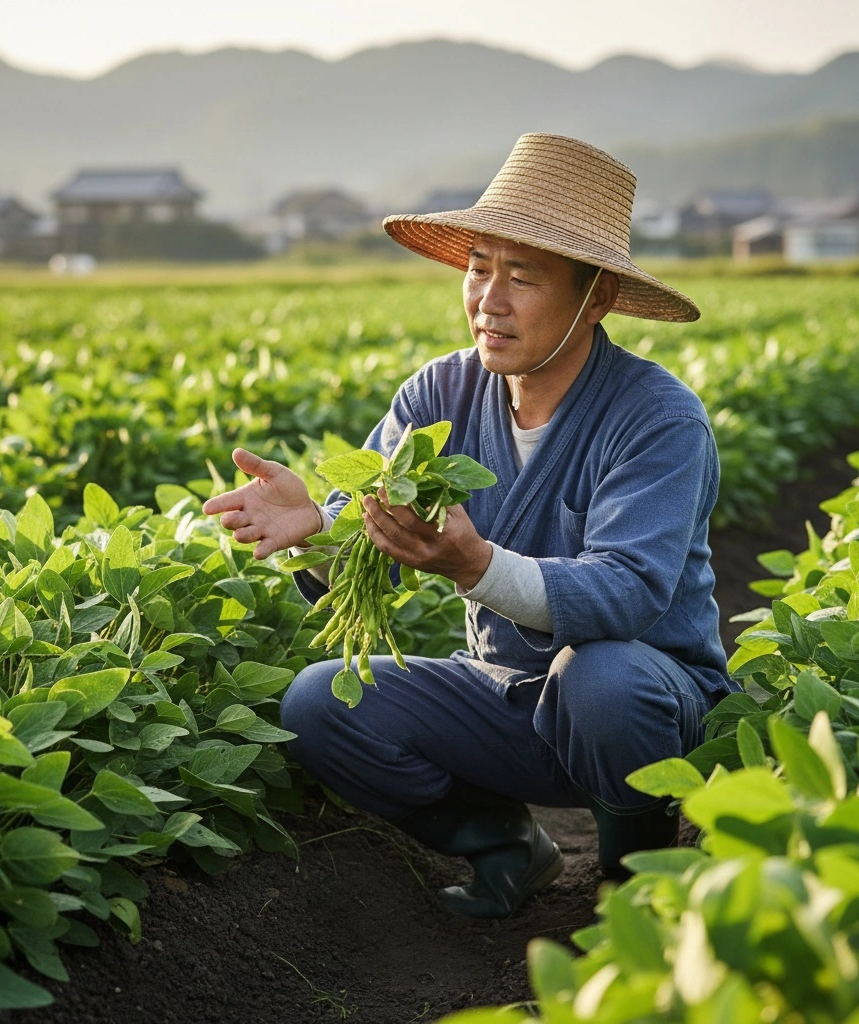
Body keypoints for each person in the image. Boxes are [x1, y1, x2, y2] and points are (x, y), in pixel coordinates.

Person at [203, 134, 736, 920]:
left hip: (649, 710)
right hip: (511, 698)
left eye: (522, 276)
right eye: (480, 267)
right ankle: (506, 847)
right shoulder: (441, 392)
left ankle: (637, 879)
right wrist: (316, 525)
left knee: (603, 678)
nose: (489, 298)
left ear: (595, 299)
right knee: (321, 702)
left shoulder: (657, 417)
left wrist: (476, 567)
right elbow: (367, 529)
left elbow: (627, 594)